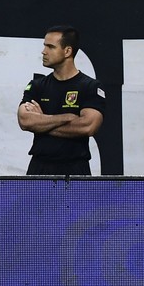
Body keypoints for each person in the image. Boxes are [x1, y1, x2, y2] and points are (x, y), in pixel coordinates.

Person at [17, 25, 106, 176]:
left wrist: (42, 123)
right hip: (40, 167)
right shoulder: (37, 85)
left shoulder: (90, 86)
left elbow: (88, 126)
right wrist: (67, 117)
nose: (43, 51)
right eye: (44, 46)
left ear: (67, 51)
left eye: (50, 47)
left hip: (75, 168)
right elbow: (25, 121)